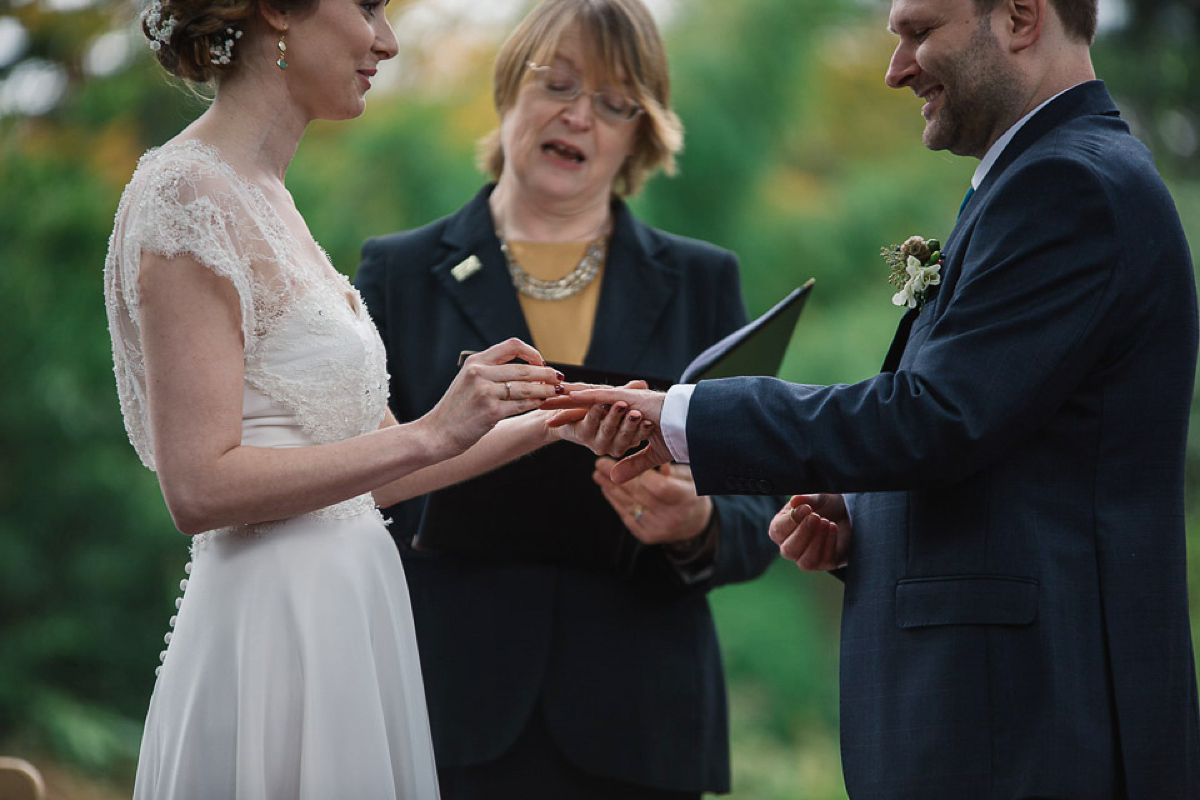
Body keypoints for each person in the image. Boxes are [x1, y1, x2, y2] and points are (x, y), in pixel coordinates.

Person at [544, 0, 1200, 796]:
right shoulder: (1046, 177)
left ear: (1022, 18)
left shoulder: (1071, 184)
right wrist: (862, 513)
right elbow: (1004, 434)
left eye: (920, 32)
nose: (897, 69)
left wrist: (682, 415)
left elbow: (939, 417)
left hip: (1030, 725)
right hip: (1005, 717)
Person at [103, 0, 647, 797]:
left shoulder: (268, 195)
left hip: (350, 616)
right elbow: (198, 486)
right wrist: (433, 430)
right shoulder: (188, 193)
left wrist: (556, 419)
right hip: (274, 629)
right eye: (367, 8)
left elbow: (379, 474)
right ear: (280, 11)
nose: (386, 42)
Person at [354, 0, 780, 796]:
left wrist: (697, 523)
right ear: (510, 89)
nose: (579, 116)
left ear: (640, 133)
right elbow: (350, 480)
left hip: (642, 719)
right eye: (557, 84)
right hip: (445, 705)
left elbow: (766, 506)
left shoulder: (702, 280)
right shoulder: (397, 273)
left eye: (615, 102)